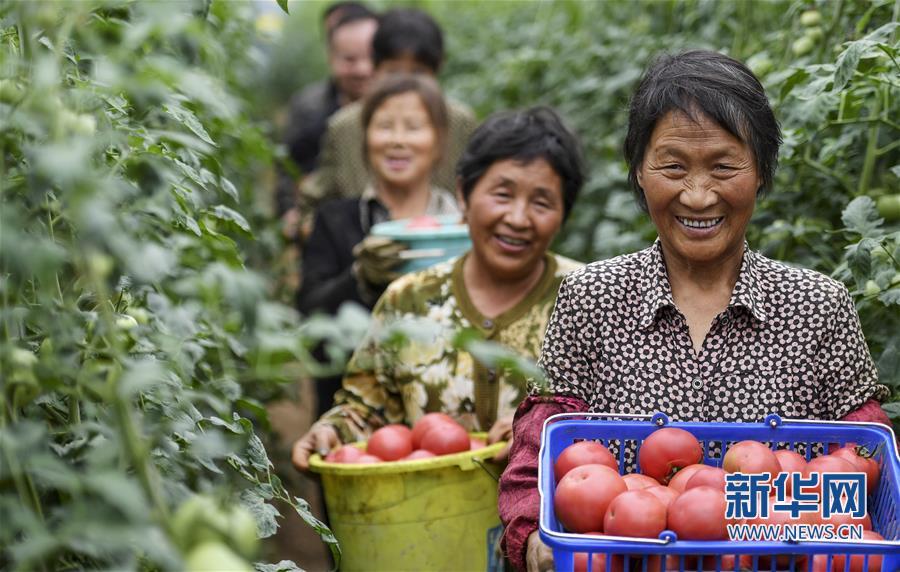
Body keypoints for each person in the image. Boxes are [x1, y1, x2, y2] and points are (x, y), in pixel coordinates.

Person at [497, 50, 892, 572]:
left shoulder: (818, 307)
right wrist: (532, 535)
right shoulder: (590, 299)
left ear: (761, 172)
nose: (699, 196)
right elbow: (536, 456)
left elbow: (871, 465)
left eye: (725, 166)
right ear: (639, 170)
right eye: (673, 165)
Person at [292, 106, 587, 471]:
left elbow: (615, 421)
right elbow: (367, 407)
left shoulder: (587, 299)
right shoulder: (410, 299)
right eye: (502, 194)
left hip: (544, 525)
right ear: (463, 195)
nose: (517, 218)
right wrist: (332, 431)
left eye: (541, 202)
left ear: (564, 215)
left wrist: (544, 430)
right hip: (427, 517)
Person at [296, 73, 460, 418]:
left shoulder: (463, 226)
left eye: (413, 127)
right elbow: (309, 316)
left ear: (439, 142)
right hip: (352, 414)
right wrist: (358, 276)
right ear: (365, 139)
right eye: (385, 126)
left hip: (448, 411)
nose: (398, 140)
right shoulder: (336, 221)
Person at [303, 8, 478, 209]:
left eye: (418, 73)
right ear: (375, 68)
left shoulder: (459, 121)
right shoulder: (344, 126)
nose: (406, 84)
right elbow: (315, 199)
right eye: (393, 72)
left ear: (437, 69)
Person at [275, 2, 378, 225]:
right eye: (350, 59)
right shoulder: (309, 106)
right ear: (331, 58)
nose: (362, 69)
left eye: (371, 58)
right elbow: (288, 165)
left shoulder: (404, 106)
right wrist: (290, 212)